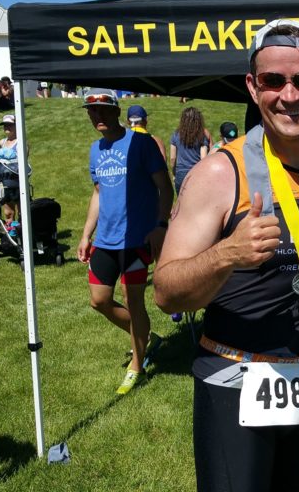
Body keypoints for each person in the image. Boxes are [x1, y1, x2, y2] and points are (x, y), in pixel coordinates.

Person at [154, 19, 299, 492]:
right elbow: (166, 291)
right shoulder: (218, 173)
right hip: (234, 372)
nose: (290, 95)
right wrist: (227, 253)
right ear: (252, 86)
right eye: (273, 81)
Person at [77, 88, 173, 395]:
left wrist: (160, 224)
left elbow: (165, 188)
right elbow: (98, 193)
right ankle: (144, 337)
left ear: (117, 112)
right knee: (99, 300)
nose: (99, 116)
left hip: (136, 239)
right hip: (105, 240)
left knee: (134, 300)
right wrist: (85, 234)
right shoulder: (96, 149)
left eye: (104, 110)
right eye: (93, 112)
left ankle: (137, 366)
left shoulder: (141, 143)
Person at [169, 106, 211, 195]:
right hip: (196, 174)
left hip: (180, 175)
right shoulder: (201, 136)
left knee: (181, 204)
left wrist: (174, 174)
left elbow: (172, 159)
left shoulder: (176, 134)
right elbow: (203, 159)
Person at [0, 114, 22, 238]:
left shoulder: (22, 142)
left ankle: (23, 233)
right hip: (5, 181)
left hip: (18, 181)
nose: (7, 127)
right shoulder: (2, 142)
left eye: (10, 124)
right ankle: (11, 236)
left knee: (22, 211)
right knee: (8, 212)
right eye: (5, 125)